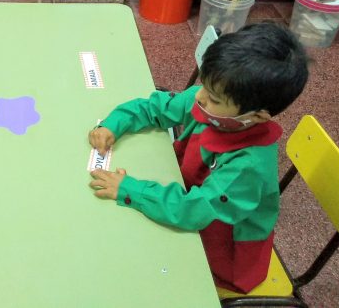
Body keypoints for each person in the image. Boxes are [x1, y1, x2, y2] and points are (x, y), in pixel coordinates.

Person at [88, 22, 309, 293]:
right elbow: (156, 108)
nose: (200, 97)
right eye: (204, 84)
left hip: (223, 248)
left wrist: (130, 190)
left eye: (214, 98)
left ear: (257, 117)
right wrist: (114, 123)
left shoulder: (248, 167)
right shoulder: (211, 103)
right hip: (188, 201)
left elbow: (191, 211)